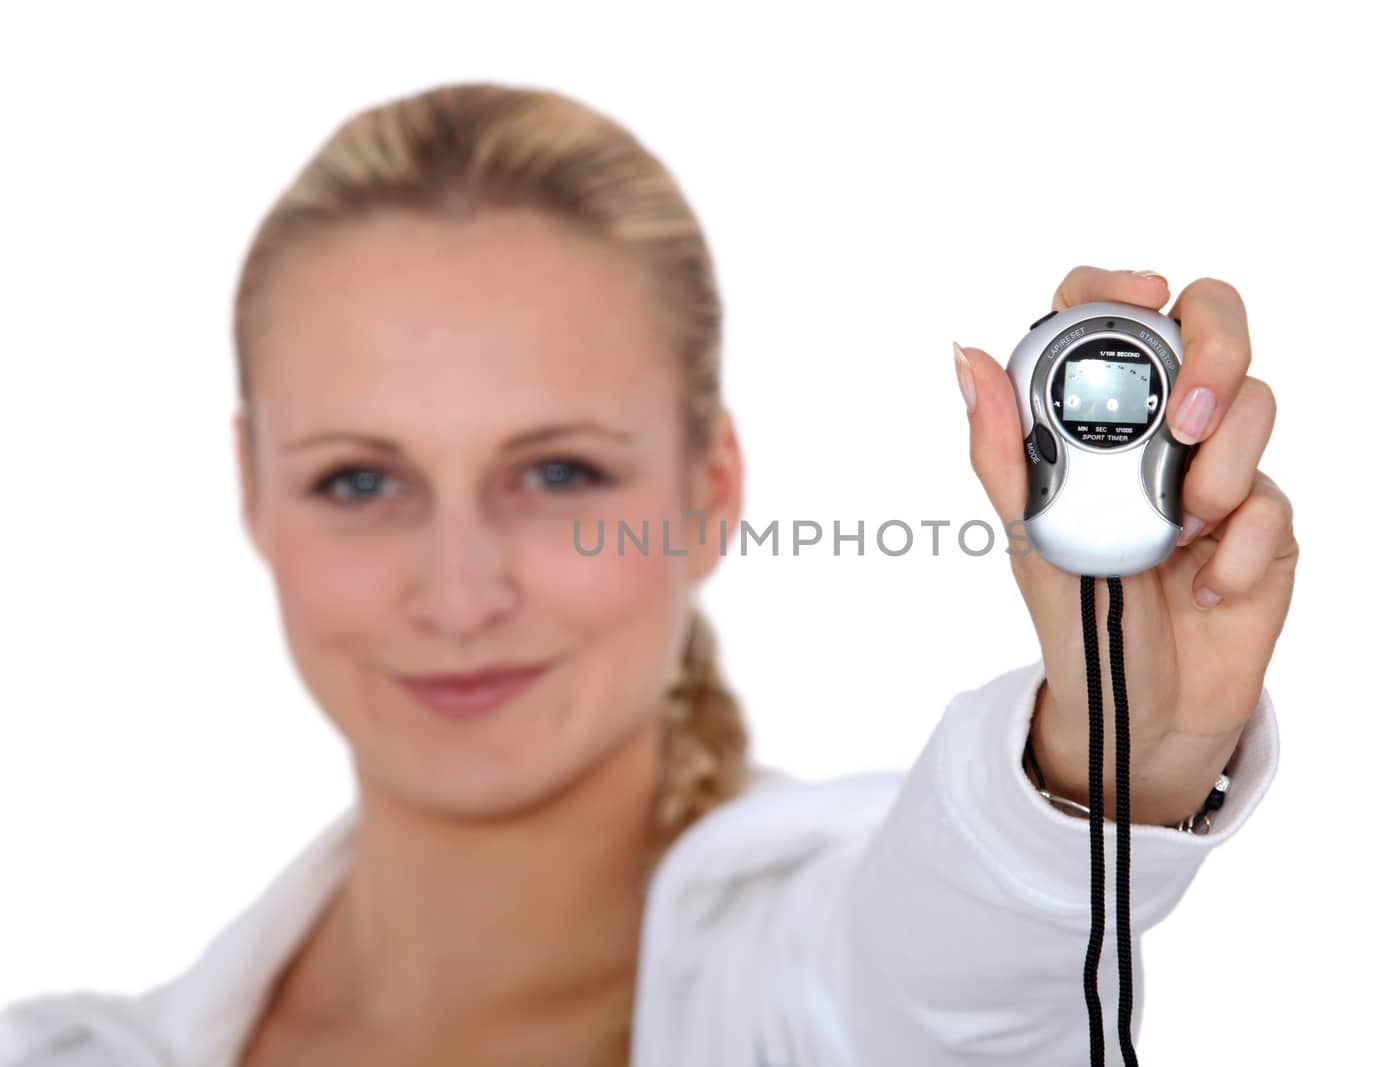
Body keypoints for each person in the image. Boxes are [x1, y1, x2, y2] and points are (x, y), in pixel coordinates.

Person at [0, 81, 1295, 1067]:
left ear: (709, 492)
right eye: (360, 481)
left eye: (558, 474)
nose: (458, 594)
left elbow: (951, 992)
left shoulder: (787, 998)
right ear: (252, 492)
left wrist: (1111, 764)